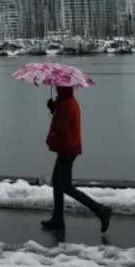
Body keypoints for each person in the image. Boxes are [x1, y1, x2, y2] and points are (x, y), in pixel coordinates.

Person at [40, 87, 112, 233]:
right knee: (57, 182)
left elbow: (62, 131)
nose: (56, 90)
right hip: (68, 147)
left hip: (67, 149)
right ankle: (57, 218)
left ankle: (100, 209)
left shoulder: (65, 106)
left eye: (58, 88)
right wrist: (54, 108)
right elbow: (63, 122)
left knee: (66, 186)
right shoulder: (67, 102)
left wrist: (50, 138)